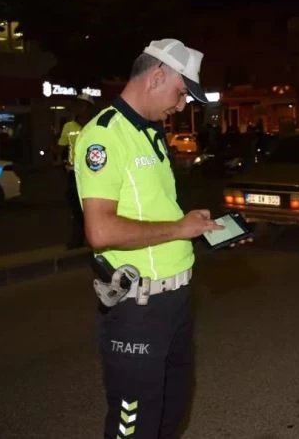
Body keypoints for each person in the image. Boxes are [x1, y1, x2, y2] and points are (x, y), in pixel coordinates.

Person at [75, 38, 250, 439]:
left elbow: (152, 212)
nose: (183, 105)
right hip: (139, 309)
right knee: (135, 425)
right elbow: (99, 230)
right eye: (181, 92)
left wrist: (194, 226)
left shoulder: (151, 132)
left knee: (171, 415)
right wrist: (178, 228)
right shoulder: (104, 136)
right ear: (156, 77)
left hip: (176, 301)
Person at [58, 92, 96, 248]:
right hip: (73, 173)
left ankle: (92, 237)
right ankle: (78, 239)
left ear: (89, 108)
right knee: (76, 207)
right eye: (77, 105)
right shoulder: (68, 126)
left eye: (82, 105)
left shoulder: (96, 125)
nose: (79, 108)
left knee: (92, 206)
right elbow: (61, 146)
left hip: (93, 173)